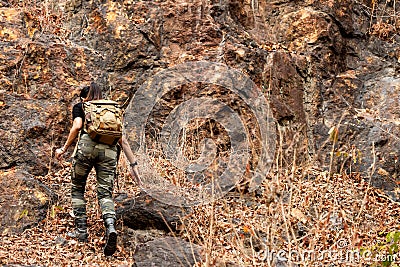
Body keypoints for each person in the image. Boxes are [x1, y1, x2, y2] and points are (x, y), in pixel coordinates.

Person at [55, 82, 140, 256]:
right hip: (109, 152)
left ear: (83, 97)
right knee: (105, 194)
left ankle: (81, 232)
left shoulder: (81, 106)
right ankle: (110, 227)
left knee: (78, 189)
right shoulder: (112, 109)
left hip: (86, 149)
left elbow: (77, 126)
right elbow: (122, 140)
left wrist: (64, 148)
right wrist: (133, 165)